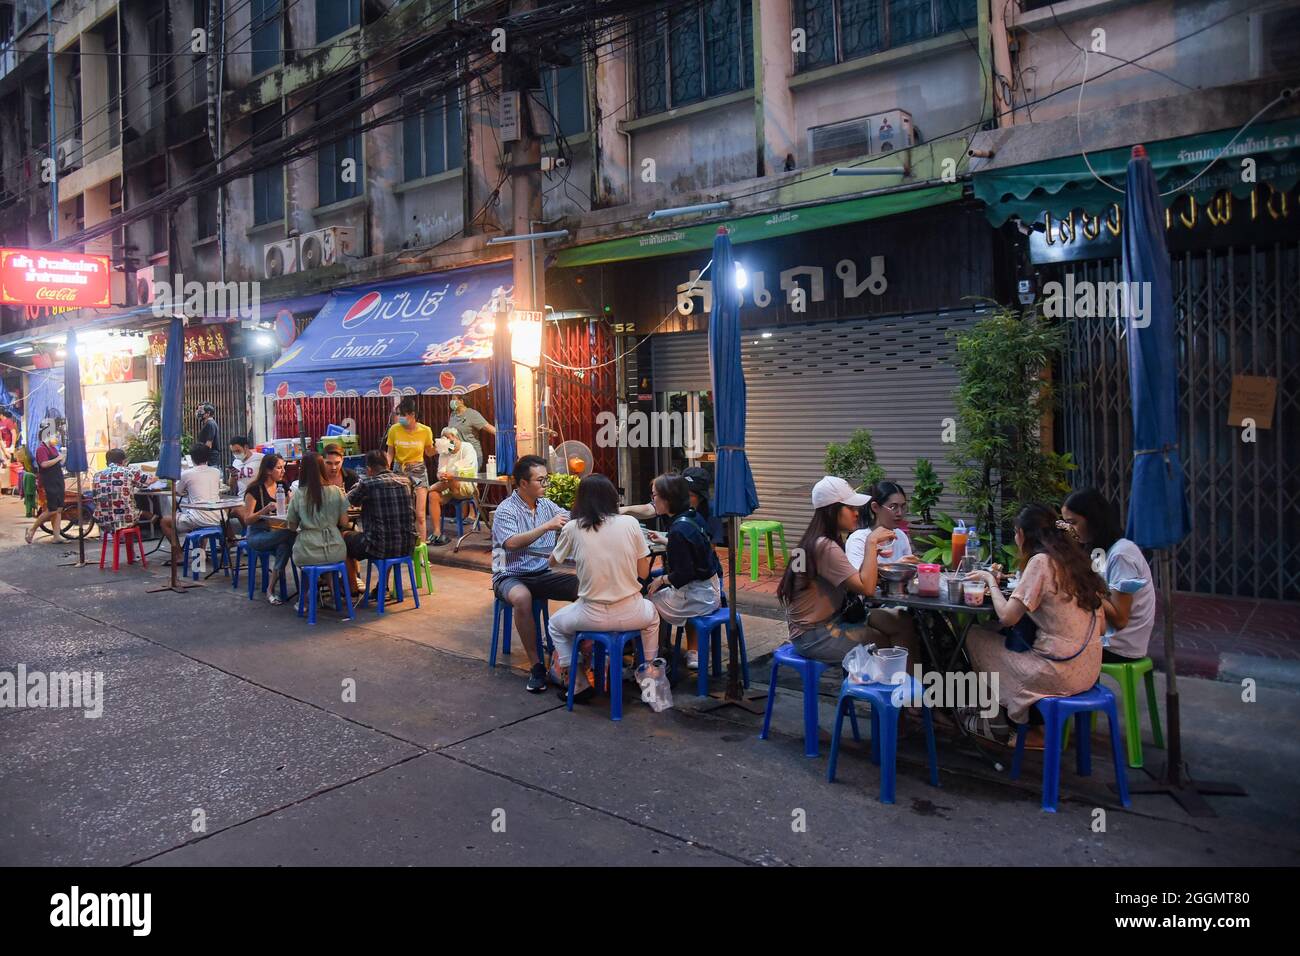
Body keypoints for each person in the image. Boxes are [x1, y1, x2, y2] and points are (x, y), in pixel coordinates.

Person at [963, 505, 1107, 745]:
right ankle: (1008, 721)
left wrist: (990, 580)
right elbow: (1101, 627)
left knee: (975, 635)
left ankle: (999, 723)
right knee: (992, 631)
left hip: (1058, 673)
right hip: (1090, 670)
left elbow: (1008, 617)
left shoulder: (1041, 562)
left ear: (1021, 534)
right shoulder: (1077, 562)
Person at [775, 476, 918, 664]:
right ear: (832, 510)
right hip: (815, 635)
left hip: (830, 622)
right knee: (884, 642)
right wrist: (871, 543)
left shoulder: (815, 540)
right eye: (850, 508)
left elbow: (853, 581)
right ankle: (899, 688)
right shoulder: (825, 546)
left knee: (901, 622)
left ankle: (908, 685)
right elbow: (866, 588)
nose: (857, 513)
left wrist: (873, 555)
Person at [546, 474, 660, 703]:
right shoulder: (630, 524)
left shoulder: (572, 527)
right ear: (612, 499)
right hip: (632, 612)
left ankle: (576, 682)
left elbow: (552, 562)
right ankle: (650, 679)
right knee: (653, 618)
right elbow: (644, 573)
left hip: (590, 615)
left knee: (555, 625)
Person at [492, 454, 578, 693]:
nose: (545, 484)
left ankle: (576, 656)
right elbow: (510, 543)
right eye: (540, 480)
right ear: (522, 484)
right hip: (509, 575)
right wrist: (547, 526)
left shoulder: (546, 505)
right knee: (522, 598)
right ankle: (536, 665)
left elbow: (572, 517)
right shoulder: (505, 510)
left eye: (546, 479)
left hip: (541, 572)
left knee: (584, 587)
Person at [1062, 488, 1156, 662]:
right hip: (1104, 635)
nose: (1069, 530)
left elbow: (1120, 619)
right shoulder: (1100, 550)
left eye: (1073, 522)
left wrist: (1084, 588)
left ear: (1093, 520)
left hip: (1119, 645)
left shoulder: (1122, 555)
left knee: (1051, 646)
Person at [643, 472, 722, 670]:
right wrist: (665, 541)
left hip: (698, 597)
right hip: (711, 589)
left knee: (647, 605)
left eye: (655, 495)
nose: (653, 500)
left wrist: (661, 580)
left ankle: (653, 658)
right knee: (654, 596)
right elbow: (693, 548)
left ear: (667, 499)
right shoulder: (692, 516)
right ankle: (660, 649)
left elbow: (684, 574)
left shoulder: (678, 530)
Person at [345, 450, 418, 597]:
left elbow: (348, 500)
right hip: (407, 544)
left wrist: (361, 484)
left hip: (377, 545)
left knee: (343, 538)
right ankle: (381, 586)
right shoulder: (407, 481)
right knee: (389, 535)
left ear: (369, 469)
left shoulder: (368, 483)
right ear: (387, 464)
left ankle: (352, 587)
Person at [238, 453, 295, 604]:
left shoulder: (283, 485)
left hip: (276, 532)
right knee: (291, 534)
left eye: (283, 467)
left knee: (285, 545)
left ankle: (270, 589)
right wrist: (265, 510)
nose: (283, 471)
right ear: (268, 470)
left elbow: (292, 505)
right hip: (257, 535)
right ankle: (310, 580)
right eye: (279, 468)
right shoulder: (255, 489)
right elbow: (247, 519)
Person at [286, 451, 350, 575]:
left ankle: (309, 591)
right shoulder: (336, 491)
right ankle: (333, 589)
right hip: (335, 550)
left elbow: (291, 526)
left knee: (305, 565)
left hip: (307, 552)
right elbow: (345, 522)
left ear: (302, 470)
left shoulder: (299, 494)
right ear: (322, 467)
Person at [159, 443, 225, 565]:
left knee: (165, 521)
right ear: (208, 457)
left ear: (192, 458)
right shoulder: (216, 472)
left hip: (199, 518)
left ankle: (179, 555)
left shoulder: (186, 474)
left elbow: (178, 491)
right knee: (199, 514)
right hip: (218, 517)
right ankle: (201, 555)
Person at [386, 397, 436, 544]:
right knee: (401, 512)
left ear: (412, 415)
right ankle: (402, 545)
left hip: (418, 470)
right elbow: (390, 453)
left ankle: (422, 551)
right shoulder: (394, 430)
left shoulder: (425, 431)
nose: (400, 418)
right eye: (398, 414)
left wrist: (441, 448)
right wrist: (385, 470)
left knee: (420, 514)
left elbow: (429, 452)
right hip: (399, 470)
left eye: (403, 415)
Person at [846, 480, 919, 567]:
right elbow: (859, 578)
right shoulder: (858, 539)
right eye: (893, 507)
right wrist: (896, 567)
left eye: (903, 507)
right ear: (875, 507)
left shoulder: (900, 535)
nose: (900, 513)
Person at [427, 426, 478, 547]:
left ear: (455, 437)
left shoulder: (467, 448)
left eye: (448, 438)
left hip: (466, 487)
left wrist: (450, 475)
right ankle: (437, 532)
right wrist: (442, 476)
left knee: (451, 479)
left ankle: (427, 488)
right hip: (446, 487)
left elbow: (464, 468)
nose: (446, 442)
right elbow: (440, 471)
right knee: (433, 495)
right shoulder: (445, 451)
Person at [90, 448, 155, 536]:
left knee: (129, 509)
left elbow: (94, 498)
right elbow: (149, 480)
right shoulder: (128, 471)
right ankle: (158, 525)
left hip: (102, 520)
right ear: (124, 461)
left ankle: (126, 544)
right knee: (144, 512)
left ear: (107, 462)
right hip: (125, 519)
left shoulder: (97, 475)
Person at [26, 421, 68, 544]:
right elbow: (44, 464)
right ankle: (32, 530)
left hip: (58, 479)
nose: (56, 437)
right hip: (48, 481)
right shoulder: (41, 449)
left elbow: (59, 462)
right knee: (52, 509)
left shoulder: (53, 448)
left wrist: (62, 457)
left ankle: (56, 536)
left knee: (59, 509)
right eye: (53, 435)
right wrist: (58, 458)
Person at [447, 396, 494, 466]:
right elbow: (451, 435)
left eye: (453, 399)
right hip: (458, 455)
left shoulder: (472, 414)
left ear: (461, 401)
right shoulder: (453, 415)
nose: (451, 402)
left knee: (468, 476)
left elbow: (488, 427)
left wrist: (503, 435)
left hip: (472, 454)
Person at [196, 404, 220, 469]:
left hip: (210, 459)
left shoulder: (210, 424)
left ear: (208, 413)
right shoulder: (210, 423)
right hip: (210, 458)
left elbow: (209, 443)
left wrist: (204, 458)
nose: (198, 413)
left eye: (201, 411)